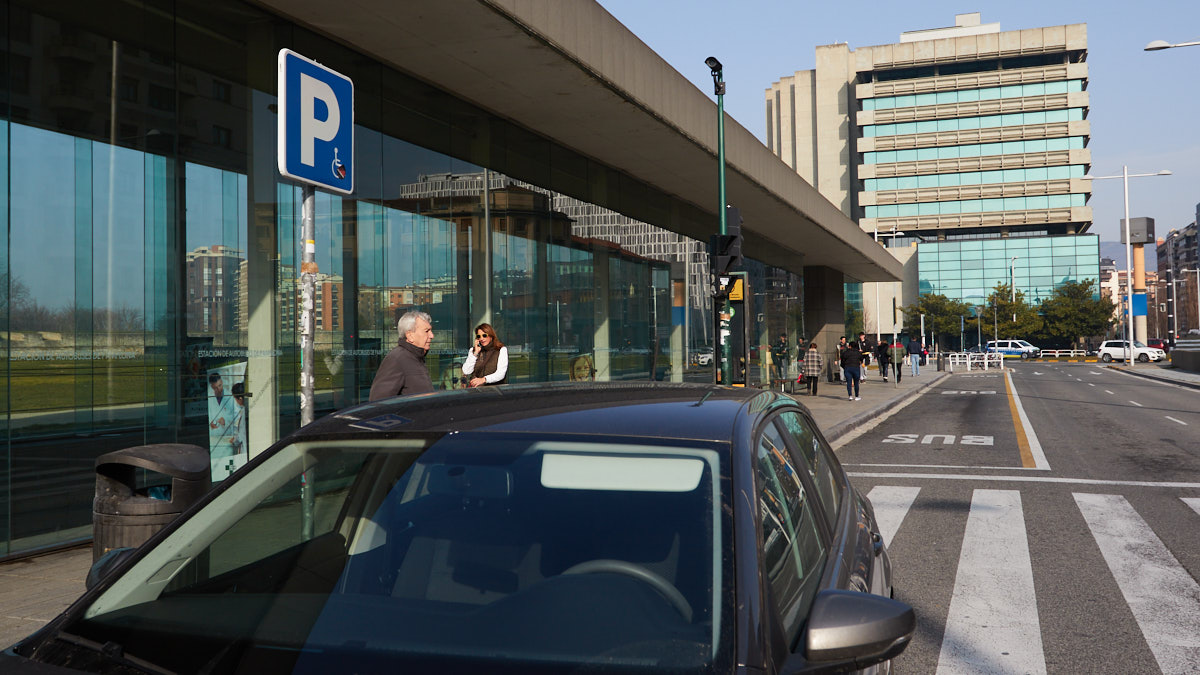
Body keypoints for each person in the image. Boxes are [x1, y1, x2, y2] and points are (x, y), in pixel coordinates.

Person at [369, 310, 435, 401]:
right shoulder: (396, 359)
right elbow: (379, 403)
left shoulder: (416, 357)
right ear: (410, 335)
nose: (432, 335)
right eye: (426, 331)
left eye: (431, 330)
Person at [462, 322, 508, 387]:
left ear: (491, 336)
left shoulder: (501, 350)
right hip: (477, 391)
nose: (481, 339)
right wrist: (475, 353)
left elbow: (501, 373)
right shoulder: (473, 351)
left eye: (484, 335)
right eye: (479, 336)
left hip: (495, 391)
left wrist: (484, 379)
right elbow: (466, 371)